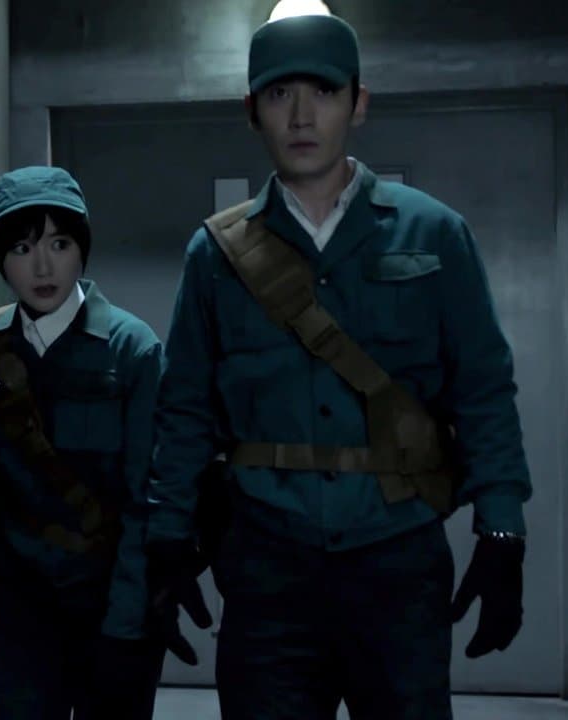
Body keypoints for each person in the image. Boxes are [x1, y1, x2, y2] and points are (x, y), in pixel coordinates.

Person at [143, 11, 533, 720]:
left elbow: (483, 389)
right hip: (266, 565)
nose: (301, 115)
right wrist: (168, 534)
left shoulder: (434, 233)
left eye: (322, 91)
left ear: (358, 102)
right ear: (251, 110)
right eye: (279, 94)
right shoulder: (216, 256)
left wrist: (502, 528)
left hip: (397, 560)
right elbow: (185, 408)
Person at [0, 166, 190, 719]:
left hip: (114, 599)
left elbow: (148, 496)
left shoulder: (132, 349)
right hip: (26, 605)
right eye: (22, 248)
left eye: (60, 243)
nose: (43, 267)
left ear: (82, 250)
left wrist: (127, 624)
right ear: (0, 260)